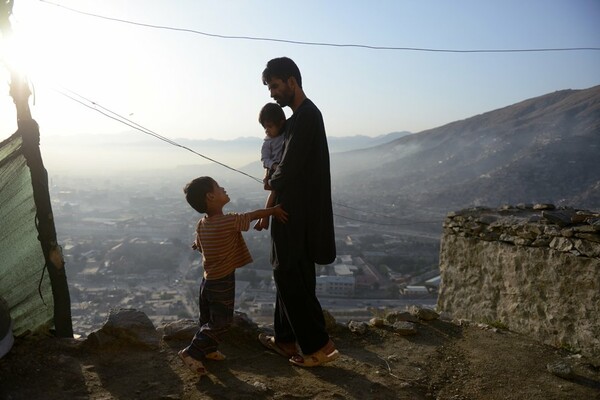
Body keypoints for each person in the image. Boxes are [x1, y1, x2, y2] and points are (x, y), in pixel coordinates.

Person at [258, 57, 339, 367]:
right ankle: (285, 339)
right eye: (269, 88)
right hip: (294, 211)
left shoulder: (305, 117)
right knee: (293, 274)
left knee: (287, 272)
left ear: (292, 81)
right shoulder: (298, 119)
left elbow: (288, 167)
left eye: (275, 86)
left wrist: (271, 179)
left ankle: (320, 346)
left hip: (293, 213)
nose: (272, 94)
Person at [179, 176, 288, 375]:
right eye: (219, 187)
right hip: (222, 281)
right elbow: (251, 215)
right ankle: (192, 352)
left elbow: (198, 244)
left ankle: (209, 350)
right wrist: (273, 210)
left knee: (207, 319)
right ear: (211, 197)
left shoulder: (202, 224)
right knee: (221, 321)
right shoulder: (227, 221)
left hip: (208, 281)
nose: (224, 188)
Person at [254, 102, 286, 231]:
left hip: (280, 168)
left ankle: (262, 220)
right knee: (273, 193)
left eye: (270, 126)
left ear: (281, 123)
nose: (267, 130)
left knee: (275, 193)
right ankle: (264, 219)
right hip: (274, 170)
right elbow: (264, 159)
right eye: (265, 127)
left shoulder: (285, 135)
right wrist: (273, 166)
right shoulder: (268, 143)